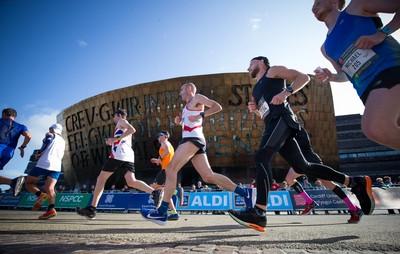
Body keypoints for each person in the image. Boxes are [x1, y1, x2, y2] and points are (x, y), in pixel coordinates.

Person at [228, 56, 374, 232]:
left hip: (282, 120)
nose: (247, 68)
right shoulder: (256, 90)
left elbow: (303, 77)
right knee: (302, 166)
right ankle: (353, 182)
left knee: (262, 157)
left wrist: (286, 92)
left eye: (250, 63)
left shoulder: (272, 71)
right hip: (272, 123)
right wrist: (256, 110)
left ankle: (259, 212)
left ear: (260, 62)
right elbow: (265, 113)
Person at [140, 82, 256, 225]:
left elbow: (217, 106)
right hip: (194, 140)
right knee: (208, 176)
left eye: (181, 89)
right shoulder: (185, 108)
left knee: (170, 169)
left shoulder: (197, 98)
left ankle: (162, 211)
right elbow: (191, 123)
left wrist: (202, 114)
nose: (180, 92)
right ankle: (246, 193)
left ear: (189, 89)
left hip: (192, 140)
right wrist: (179, 122)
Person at [311, 0, 400, 151]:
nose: (313, 7)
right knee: (388, 129)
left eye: (318, 1)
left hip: (390, 69)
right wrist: (332, 76)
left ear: (334, 1)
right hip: (366, 91)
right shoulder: (325, 48)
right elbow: (344, 75)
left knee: (375, 127)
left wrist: (382, 33)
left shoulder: (357, 6)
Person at [76, 108, 163, 219]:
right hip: (127, 156)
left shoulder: (121, 121)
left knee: (101, 179)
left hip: (118, 155)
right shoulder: (121, 126)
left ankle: (91, 209)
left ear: (119, 115)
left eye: (114, 115)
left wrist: (115, 139)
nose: (113, 118)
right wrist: (112, 141)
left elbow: (132, 129)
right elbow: (123, 138)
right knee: (131, 182)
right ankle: (154, 193)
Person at [25, 124, 66, 220]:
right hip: (56, 166)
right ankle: (51, 209)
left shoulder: (51, 134)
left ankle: (40, 195)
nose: (49, 130)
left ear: (53, 129)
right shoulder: (63, 141)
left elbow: (48, 140)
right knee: (49, 188)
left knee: (28, 183)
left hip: (45, 163)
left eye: (50, 128)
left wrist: (39, 152)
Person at [0, 108, 31, 196]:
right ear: (14, 117)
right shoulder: (21, 126)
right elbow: (28, 136)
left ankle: (13, 181)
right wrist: (22, 147)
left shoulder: (1, 121)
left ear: (4, 114)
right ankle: (13, 182)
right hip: (9, 152)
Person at [150, 130, 179, 221]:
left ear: (164, 136)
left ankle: (175, 191)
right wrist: (159, 161)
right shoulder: (168, 143)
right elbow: (168, 154)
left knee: (154, 187)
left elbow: (167, 151)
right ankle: (174, 213)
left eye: (159, 135)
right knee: (166, 193)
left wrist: (159, 159)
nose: (158, 137)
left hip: (166, 170)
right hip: (169, 169)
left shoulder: (164, 142)